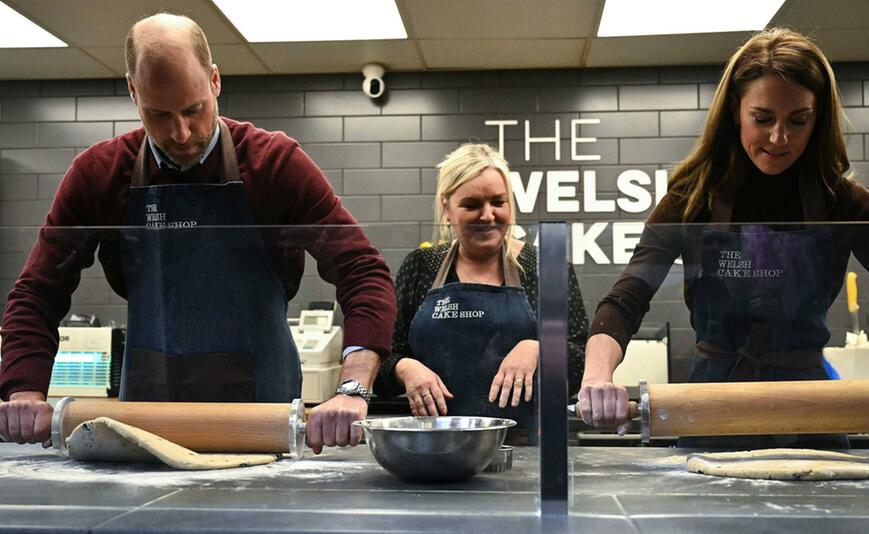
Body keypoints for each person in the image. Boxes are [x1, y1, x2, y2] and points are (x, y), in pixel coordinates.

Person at [0, 13, 396, 454]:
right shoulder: (98, 174)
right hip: (148, 419)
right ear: (133, 92)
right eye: (159, 115)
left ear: (214, 81)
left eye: (193, 110)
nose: (181, 133)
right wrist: (23, 391)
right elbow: (37, 293)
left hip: (262, 419)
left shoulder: (275, 164)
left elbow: (362, 271)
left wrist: (353, 385)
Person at [578, 28, 869, 449]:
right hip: (712, 408)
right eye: (763, 118)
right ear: (735, 110)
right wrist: (596, 376)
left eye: (798, 121)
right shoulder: (691, 202)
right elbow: (626, 300)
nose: (779, 138)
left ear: (819, 117)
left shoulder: (844, 205)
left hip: (808, 408)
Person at [373, 144, 587, 440]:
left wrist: (538, 348)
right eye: (472, 205)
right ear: (447, 208)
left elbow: (583, 361)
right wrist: (406, 368)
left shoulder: (545, 266)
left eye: (498, 202)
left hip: (532, 447)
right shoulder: (422, 266)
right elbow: (381, 361)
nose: (488, 216)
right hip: (438, 445)